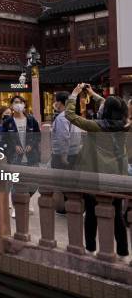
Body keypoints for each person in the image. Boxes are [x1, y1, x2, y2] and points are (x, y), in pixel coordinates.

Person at [66, 83, 129, 257]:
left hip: (95, 176)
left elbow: (70, 115)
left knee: (91, 213)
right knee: (117, 215)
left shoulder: (96, 126)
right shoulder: (125, 125)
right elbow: (109, 105)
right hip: (116, 177)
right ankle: (123, 251)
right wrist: (93, 93)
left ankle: (91, 248)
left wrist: (75, 94)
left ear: (106, 111)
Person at [51, 91, 84, 170]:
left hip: (63, 156)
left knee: (61, 180)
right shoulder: (73, 115)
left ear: (59, 103)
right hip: (75, 153)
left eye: (56, 101)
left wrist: (64, 156)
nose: (55, 103)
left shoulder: (62, 118)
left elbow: (64, 138)